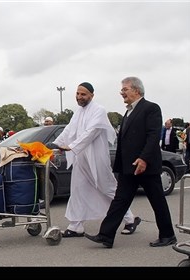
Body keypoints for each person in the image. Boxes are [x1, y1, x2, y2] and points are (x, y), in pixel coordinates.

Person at [84, 77, 176, 248]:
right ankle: (106, 235)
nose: (122, 93)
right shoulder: (128, 112)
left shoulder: (151, 108)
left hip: (145, 166)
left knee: (157, 202)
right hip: (129, 168)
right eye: (122, 90)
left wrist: (144, 159)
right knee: (120, 201)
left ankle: (168, 235)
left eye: (125, 89)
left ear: (137, 90)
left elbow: (153, 136)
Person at [51, 82, 139, 238]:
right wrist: (56, 144)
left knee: (109, 189)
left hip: (96, 159)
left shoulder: (99, 110)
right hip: (80, 159)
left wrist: (71, 146)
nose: (79, 97)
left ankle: (130, 219)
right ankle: (76, 225)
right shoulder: (78, 112)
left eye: (83, 94)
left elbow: (91, 132)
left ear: (92, 95)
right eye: (78, 94)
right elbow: (68, 130)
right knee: (78, 190)